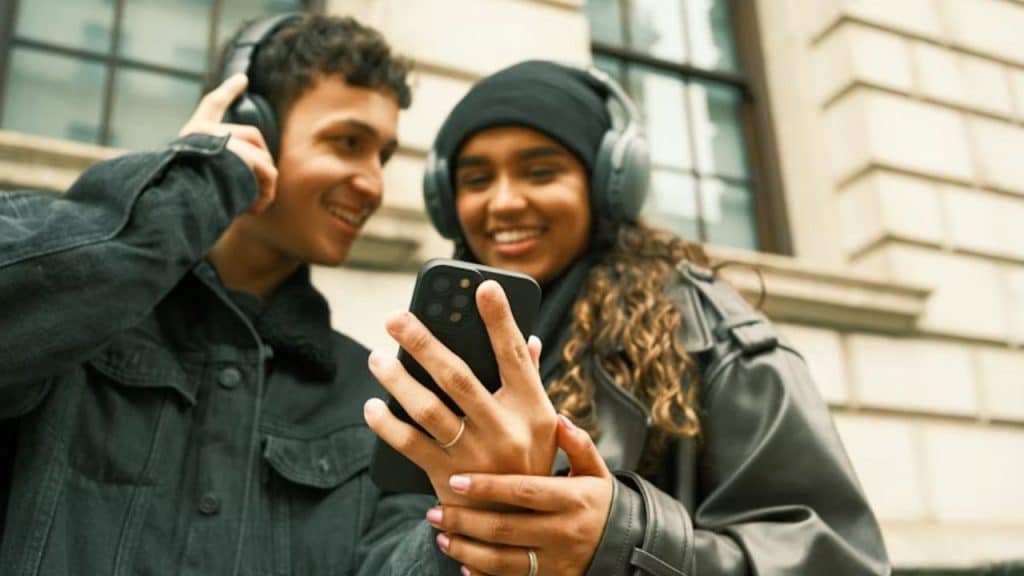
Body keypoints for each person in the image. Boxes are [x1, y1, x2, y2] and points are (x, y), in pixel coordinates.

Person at [364, 60, 892, 575]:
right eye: (476, 179)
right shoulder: (450, 355)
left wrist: (620, 542)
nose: (502, 202)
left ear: (608, 185)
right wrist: (469, 530)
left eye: (540, 171)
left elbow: (842, 559)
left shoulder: (711, 337)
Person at [0, 13, 453, 575]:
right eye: (347, 142)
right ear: (249, 124)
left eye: (380, 156)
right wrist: (196, 178)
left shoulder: (372, 395)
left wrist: (473, 517)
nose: (374, 183)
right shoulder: (78, 324)